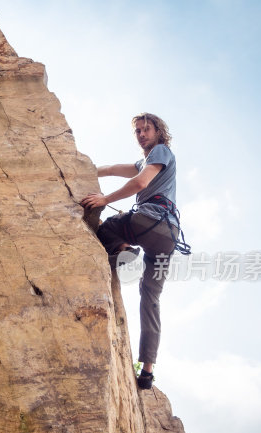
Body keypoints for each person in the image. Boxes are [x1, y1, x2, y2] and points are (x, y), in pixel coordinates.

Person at [80, 113, 187, 390]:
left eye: (146, 129)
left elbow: (140, 183)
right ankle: (148, 370)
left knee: (106, 228)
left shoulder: (161, 152)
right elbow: (117, 169)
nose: (141, 134)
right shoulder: (145, 161)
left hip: (150, 220)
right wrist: (88, 169)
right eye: (137, 131)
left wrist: (104, 199)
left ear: (158, 132)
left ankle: (123, 249)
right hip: (168, 238)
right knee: (150, 298)